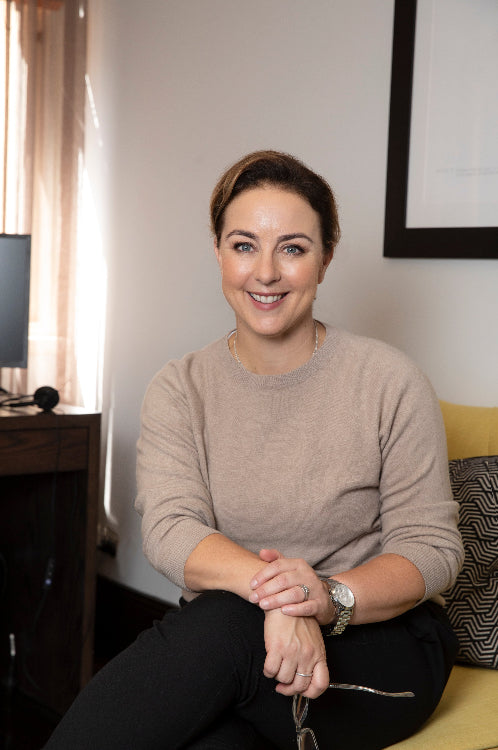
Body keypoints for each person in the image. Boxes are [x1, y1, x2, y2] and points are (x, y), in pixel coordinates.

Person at [44, 150, 463, 749]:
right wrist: (284, 602)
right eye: (244, 245)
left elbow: (432, 547)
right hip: (243, 648)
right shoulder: (180, 387)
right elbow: (170, 528)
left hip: (378, 646)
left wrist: (323, 599)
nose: (265, 272)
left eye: (292, 247)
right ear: (218, 253)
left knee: (220, 623)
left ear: (325, 260)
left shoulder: (389, 380)